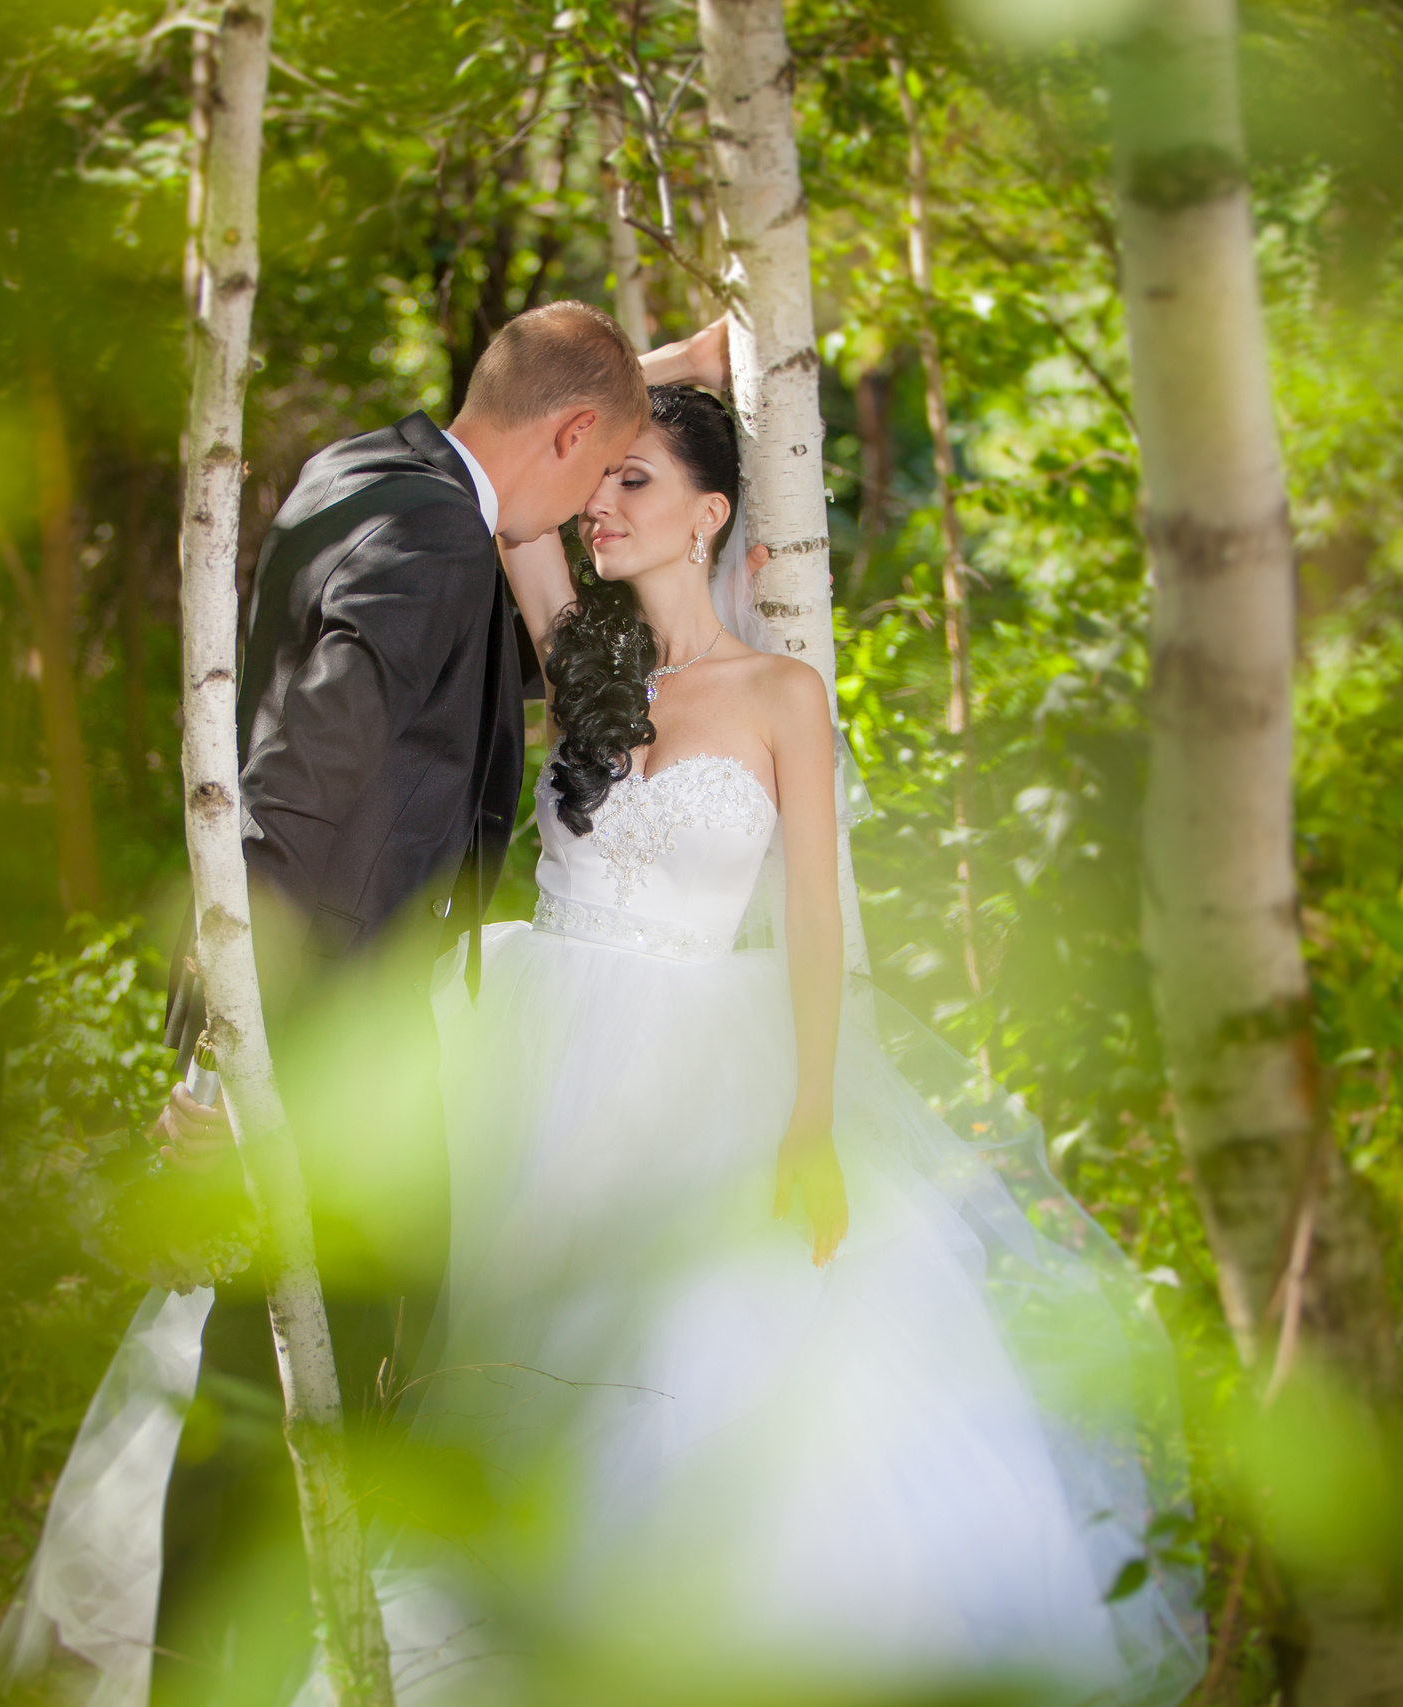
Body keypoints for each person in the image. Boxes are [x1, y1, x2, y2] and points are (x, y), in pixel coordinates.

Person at [332, 384, 1207, 1703]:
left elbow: (813, 924)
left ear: (711, 514)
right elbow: (522, 532)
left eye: (638, 483)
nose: (605, 506)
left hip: (699, 1071)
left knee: (692, 1358)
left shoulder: (781, 695)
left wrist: (809, 1118)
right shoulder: (585, 658)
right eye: (602, 479)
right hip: (534, 1052)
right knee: (529, 1344)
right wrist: (623, 389)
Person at [0, 304, 736, 1707]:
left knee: (252, 1373)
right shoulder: (438, 544)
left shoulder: (359, 471)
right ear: (575, 439)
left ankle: (215, 1670)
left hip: (326, 1023)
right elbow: (308, 783)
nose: (587, 511)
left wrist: (672, 368)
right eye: (599, 469)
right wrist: (236, 1062)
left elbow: (552, 380)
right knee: (298, 1382)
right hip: (326, 1040)